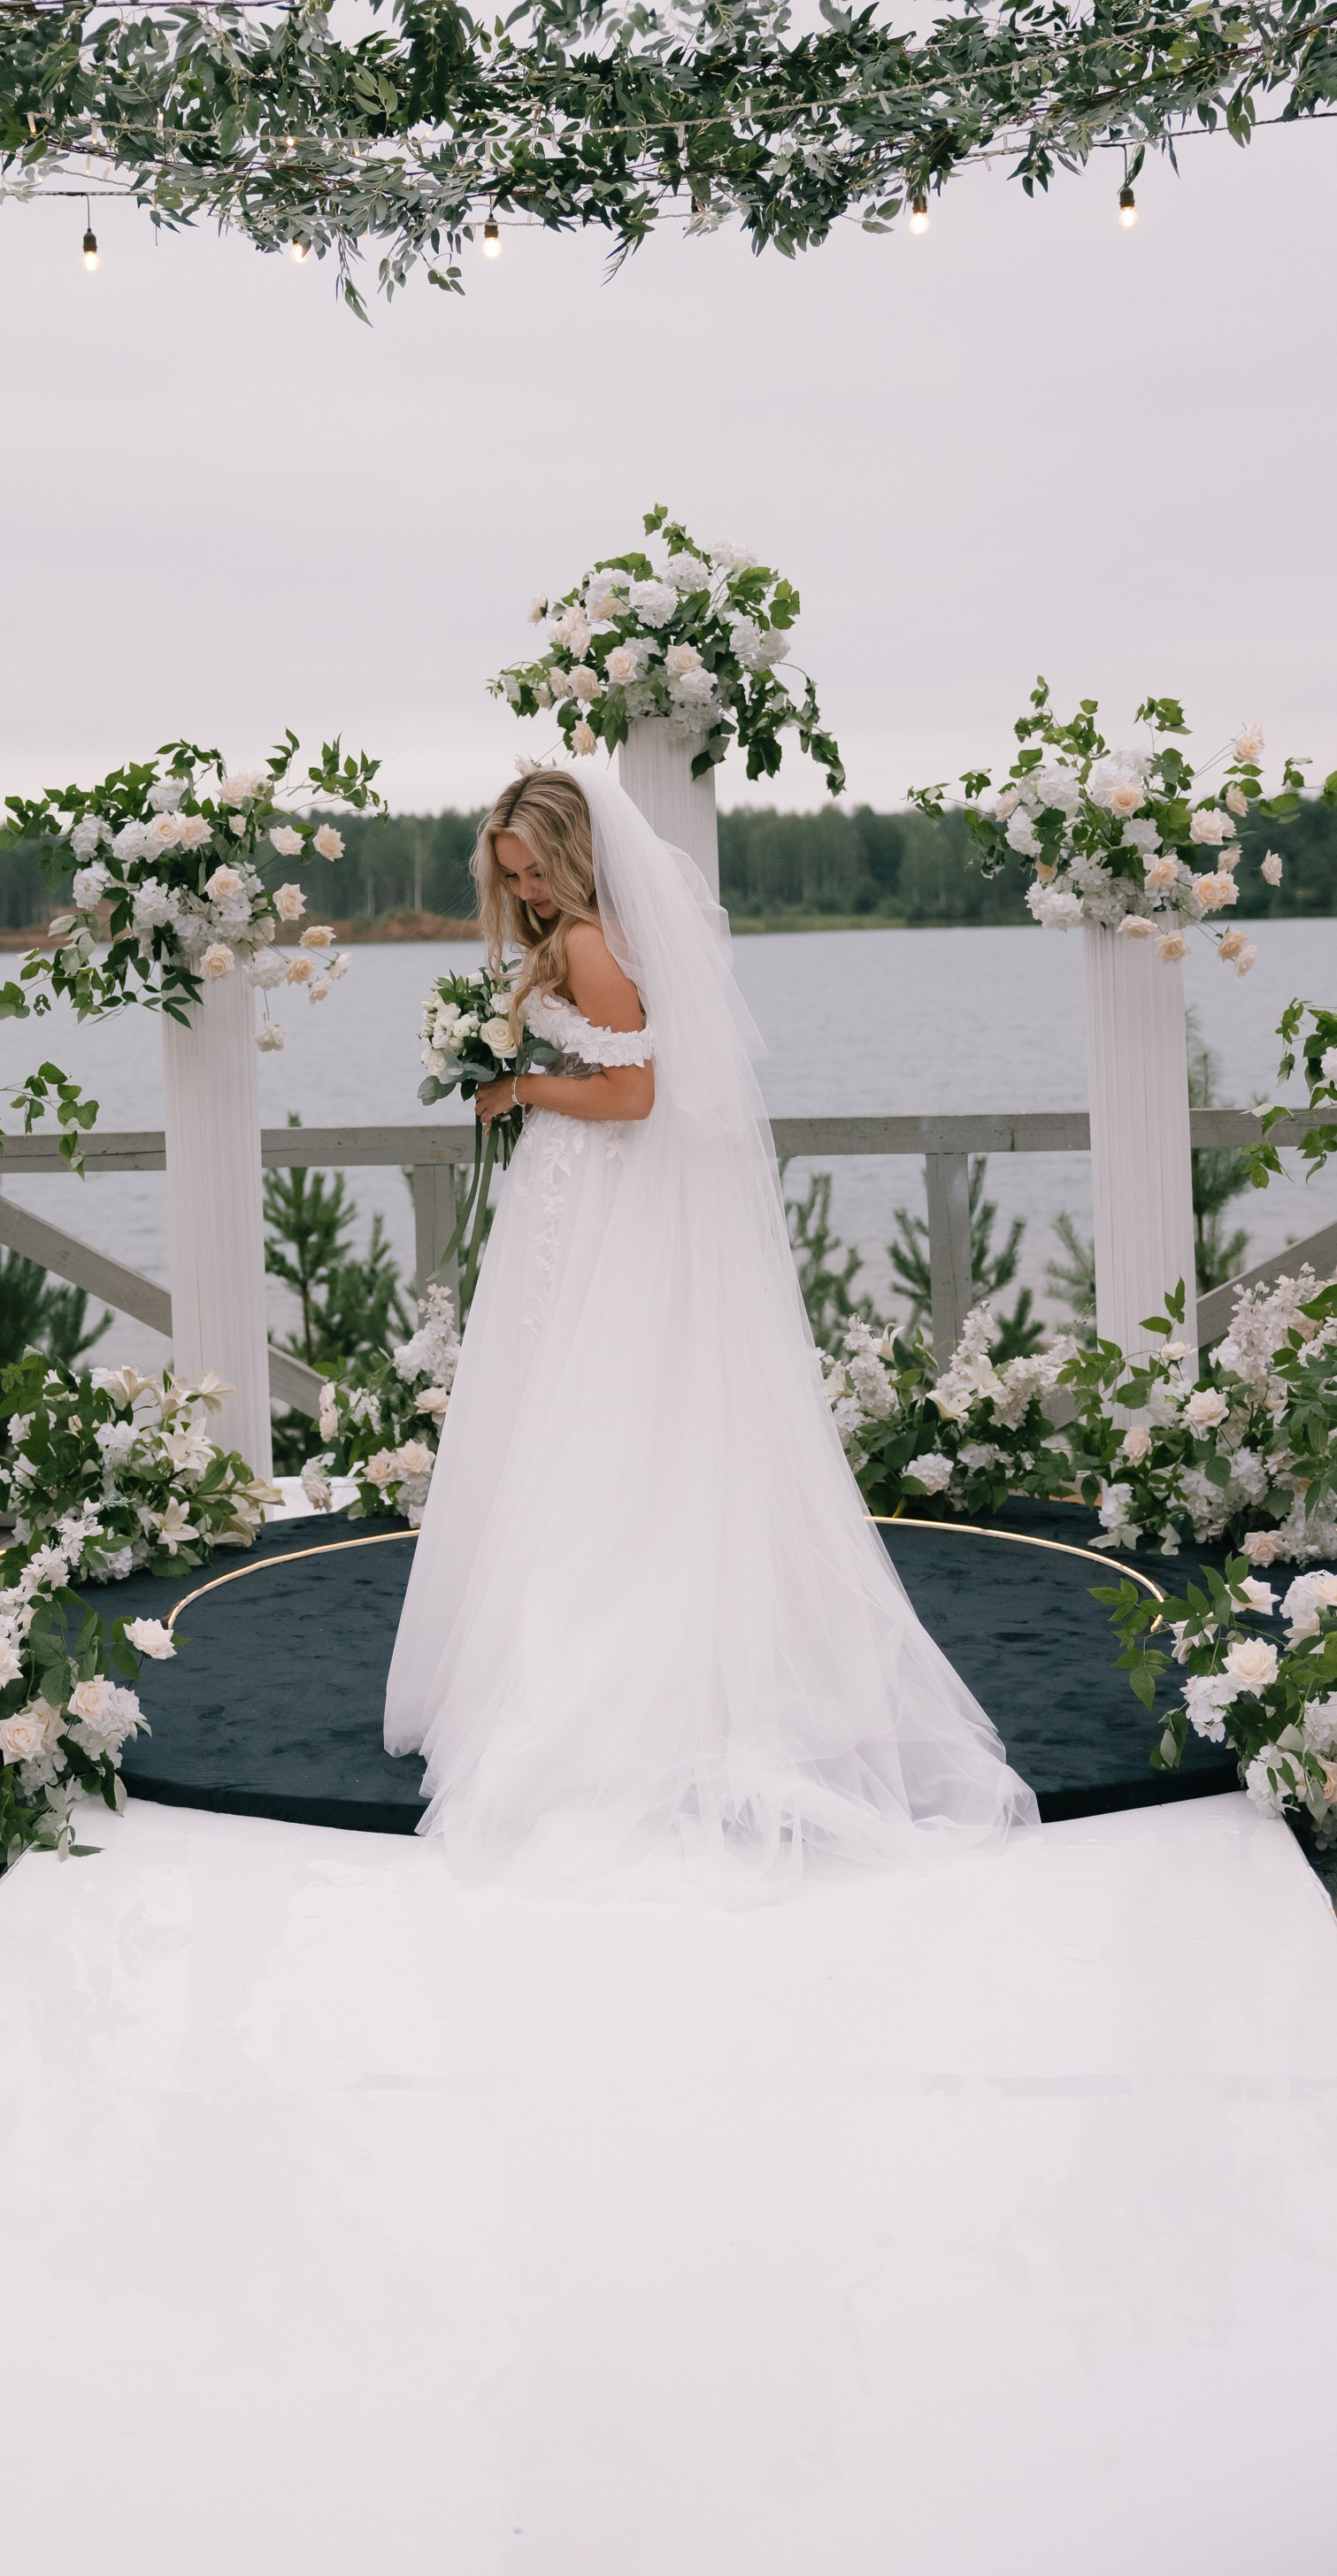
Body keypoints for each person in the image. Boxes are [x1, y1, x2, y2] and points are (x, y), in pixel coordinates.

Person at [383, 759, 1036, 1895]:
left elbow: (634, 1097)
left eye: (535, 870)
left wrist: (518, 1089)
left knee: (582, 1412)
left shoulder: (591, 938)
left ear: (574, 852)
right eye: (512, 877)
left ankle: (592, 1668)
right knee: (593, 1412)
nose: (527, 892)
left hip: (595, 1193)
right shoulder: (598, 931)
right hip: (583, 1199)